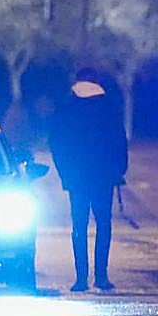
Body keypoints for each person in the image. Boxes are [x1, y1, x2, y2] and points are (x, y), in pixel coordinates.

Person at [49, 68, 128, 292]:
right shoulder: (108, 106)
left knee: (79, 226)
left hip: (77, 176)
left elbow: (56, 140)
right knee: (104, 224)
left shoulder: (67, 105)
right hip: (103, 176)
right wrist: (119, 169)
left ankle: (80, 278)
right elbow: (119, 140)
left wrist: (64, 170)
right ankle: (101, 277)